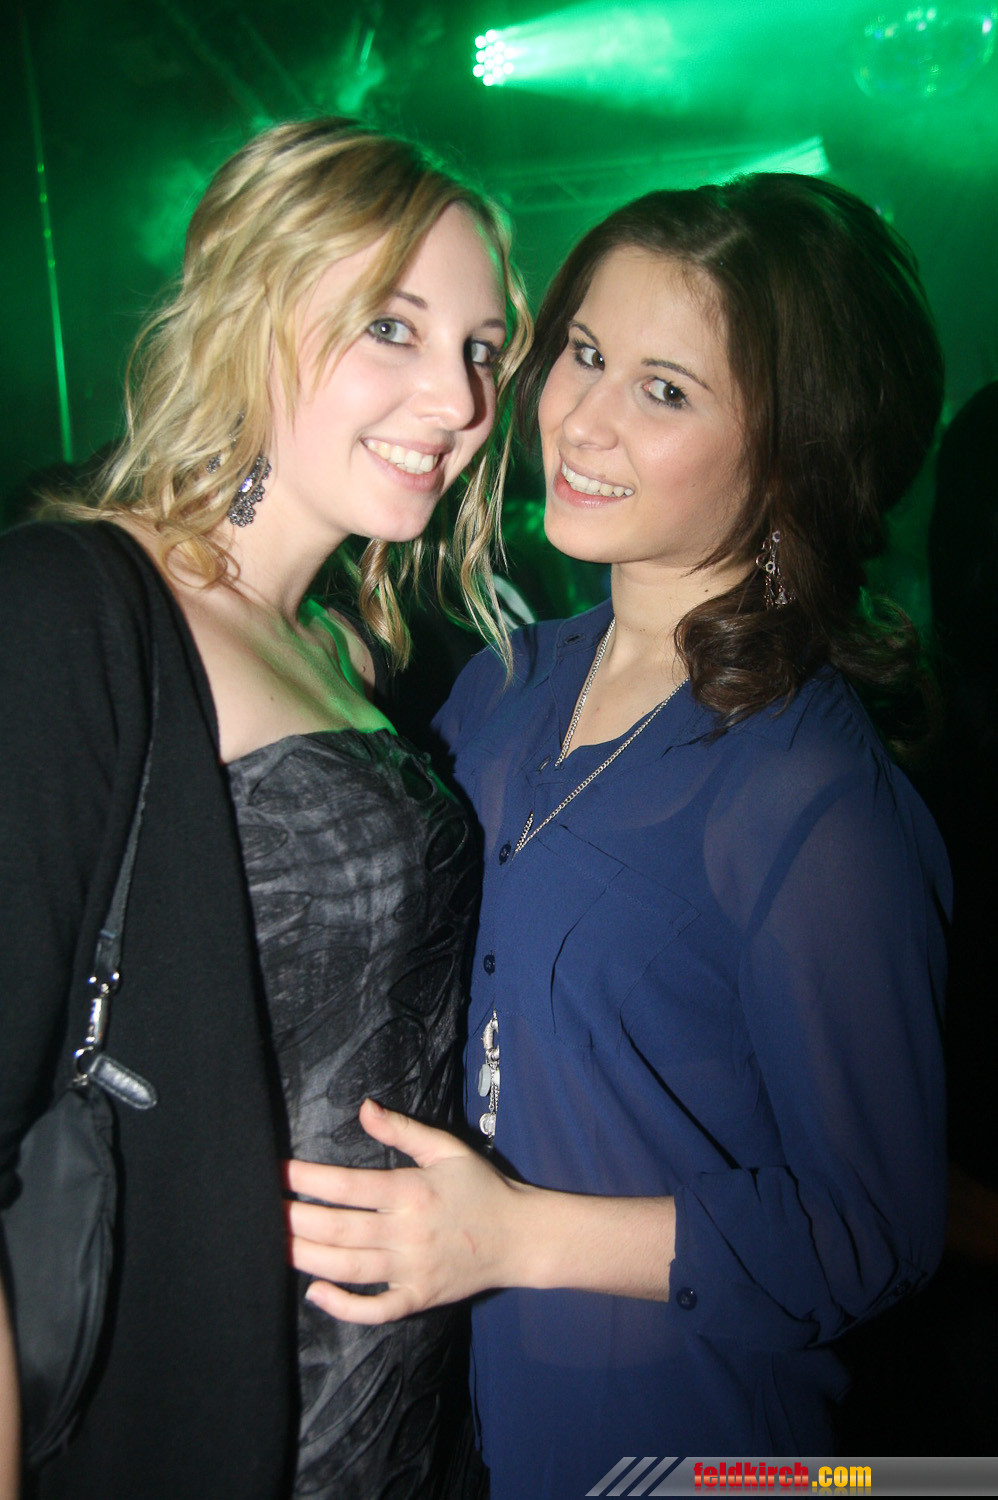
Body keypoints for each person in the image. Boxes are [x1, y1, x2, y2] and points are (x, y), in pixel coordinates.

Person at [286, 173, 949, 1491]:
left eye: (665, 390)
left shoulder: (809, 796)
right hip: (445, 1425)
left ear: (796, 451)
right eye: (584, 354)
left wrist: (515, 1238)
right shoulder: (503, 686)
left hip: (681, 1450)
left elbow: (872, 1232)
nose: (579, 420)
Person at [0, 117, 529, 1498]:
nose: (459, 400)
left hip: (403, 1420)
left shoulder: (350, 645)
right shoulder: (72, 607)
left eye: (482, 349)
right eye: (392, 328)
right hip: (210, 1416)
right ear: (248, 310)